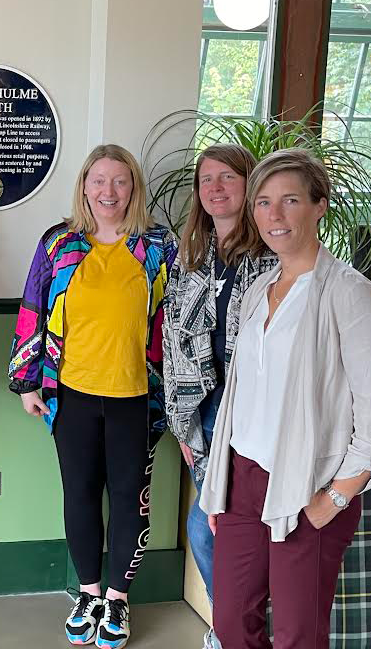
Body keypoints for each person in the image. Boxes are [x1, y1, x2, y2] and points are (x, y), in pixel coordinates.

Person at [201, 148, 371, 649]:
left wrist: (333, 498)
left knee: (298, 634)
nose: (275, 215)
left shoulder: (349, 295)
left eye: (290, 200)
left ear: (319, 206)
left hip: (306, 483)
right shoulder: (260, 288)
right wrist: (219, 483)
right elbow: (241, 394)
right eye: (264, 202)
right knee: (231, 624)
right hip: (241, 481)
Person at [8, 144, 177, 649]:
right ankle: (88, 593)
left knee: (129, 501)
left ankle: (118, 601)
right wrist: (27, 381)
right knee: (79, 495)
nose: (109, 191)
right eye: (98, 180)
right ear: (84, 186)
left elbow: (175, 322)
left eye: (120, 181)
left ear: (133, 188)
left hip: (135, 396)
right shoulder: (59, 243)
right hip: (72, 395)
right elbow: (34, 307)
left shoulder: (157, 247)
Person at [160, 144, 277, 649]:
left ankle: (237, 630)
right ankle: (233, 628)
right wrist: (182, 423)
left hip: (253, 418)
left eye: (227, 177)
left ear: (250, 185)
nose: (216, 187)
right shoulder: (191, 257)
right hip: (202, 414)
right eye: (206, 179)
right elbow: (171, 339)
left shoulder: (273, 258)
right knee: (209, 529)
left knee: (224, 528)